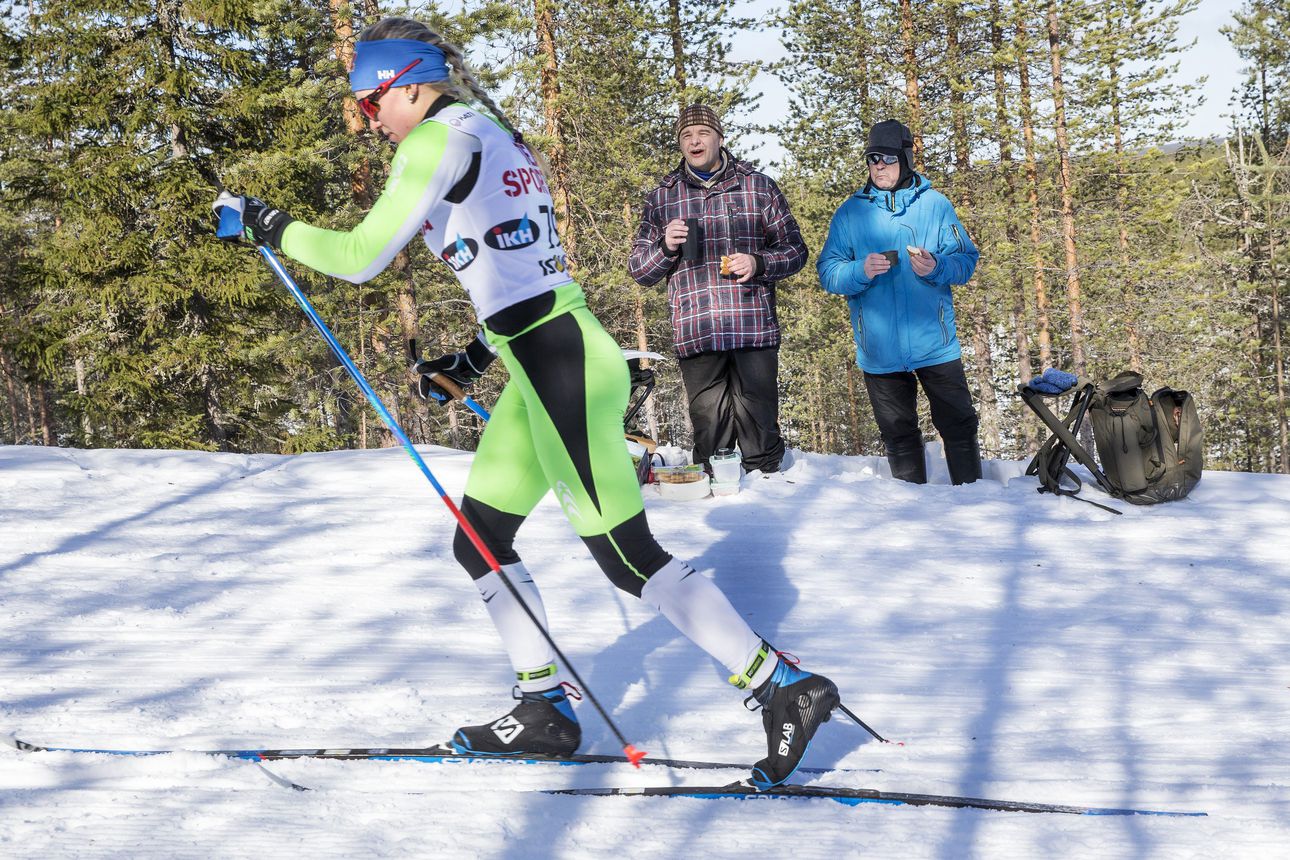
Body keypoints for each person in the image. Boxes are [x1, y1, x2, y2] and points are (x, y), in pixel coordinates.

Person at [220, 17, 839, 790]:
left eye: (371, 100)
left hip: (561, 367)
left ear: (411, 83)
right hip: (542, 355)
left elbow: (360, 256)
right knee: (479, 539)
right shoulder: (489, 132)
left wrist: (268, 224)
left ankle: (780, 686)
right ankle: (543, 708)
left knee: (625, 557)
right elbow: (519, 267)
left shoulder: (435, 142)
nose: (367, 119)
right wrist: (474, 358)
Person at [628, 105, 808, 474]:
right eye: (686, 136)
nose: (695, 141)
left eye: (703, 133)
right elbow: (640, 270)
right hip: (698, 328)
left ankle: (768, 491)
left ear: (719, 138)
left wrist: (758, 263)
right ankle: (715, 499)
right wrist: (665, 247)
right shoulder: (662, 197)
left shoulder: (757, 185)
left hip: (750, 324)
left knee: (760, 429)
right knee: (709, 435)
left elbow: (796, 251)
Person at [816, 120, 983, 485]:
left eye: (887, 159)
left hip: (935, 345)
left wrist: (937, 265)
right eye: (872, 159)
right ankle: (911, 511)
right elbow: (828, 272)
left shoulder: (935, 206)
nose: (878, 166)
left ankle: (973, 503)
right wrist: (859, 270)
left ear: (905, 159)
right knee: (898, 432)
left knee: (958, 424)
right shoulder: (850, 213)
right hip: (879, 349)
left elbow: (967, 261)